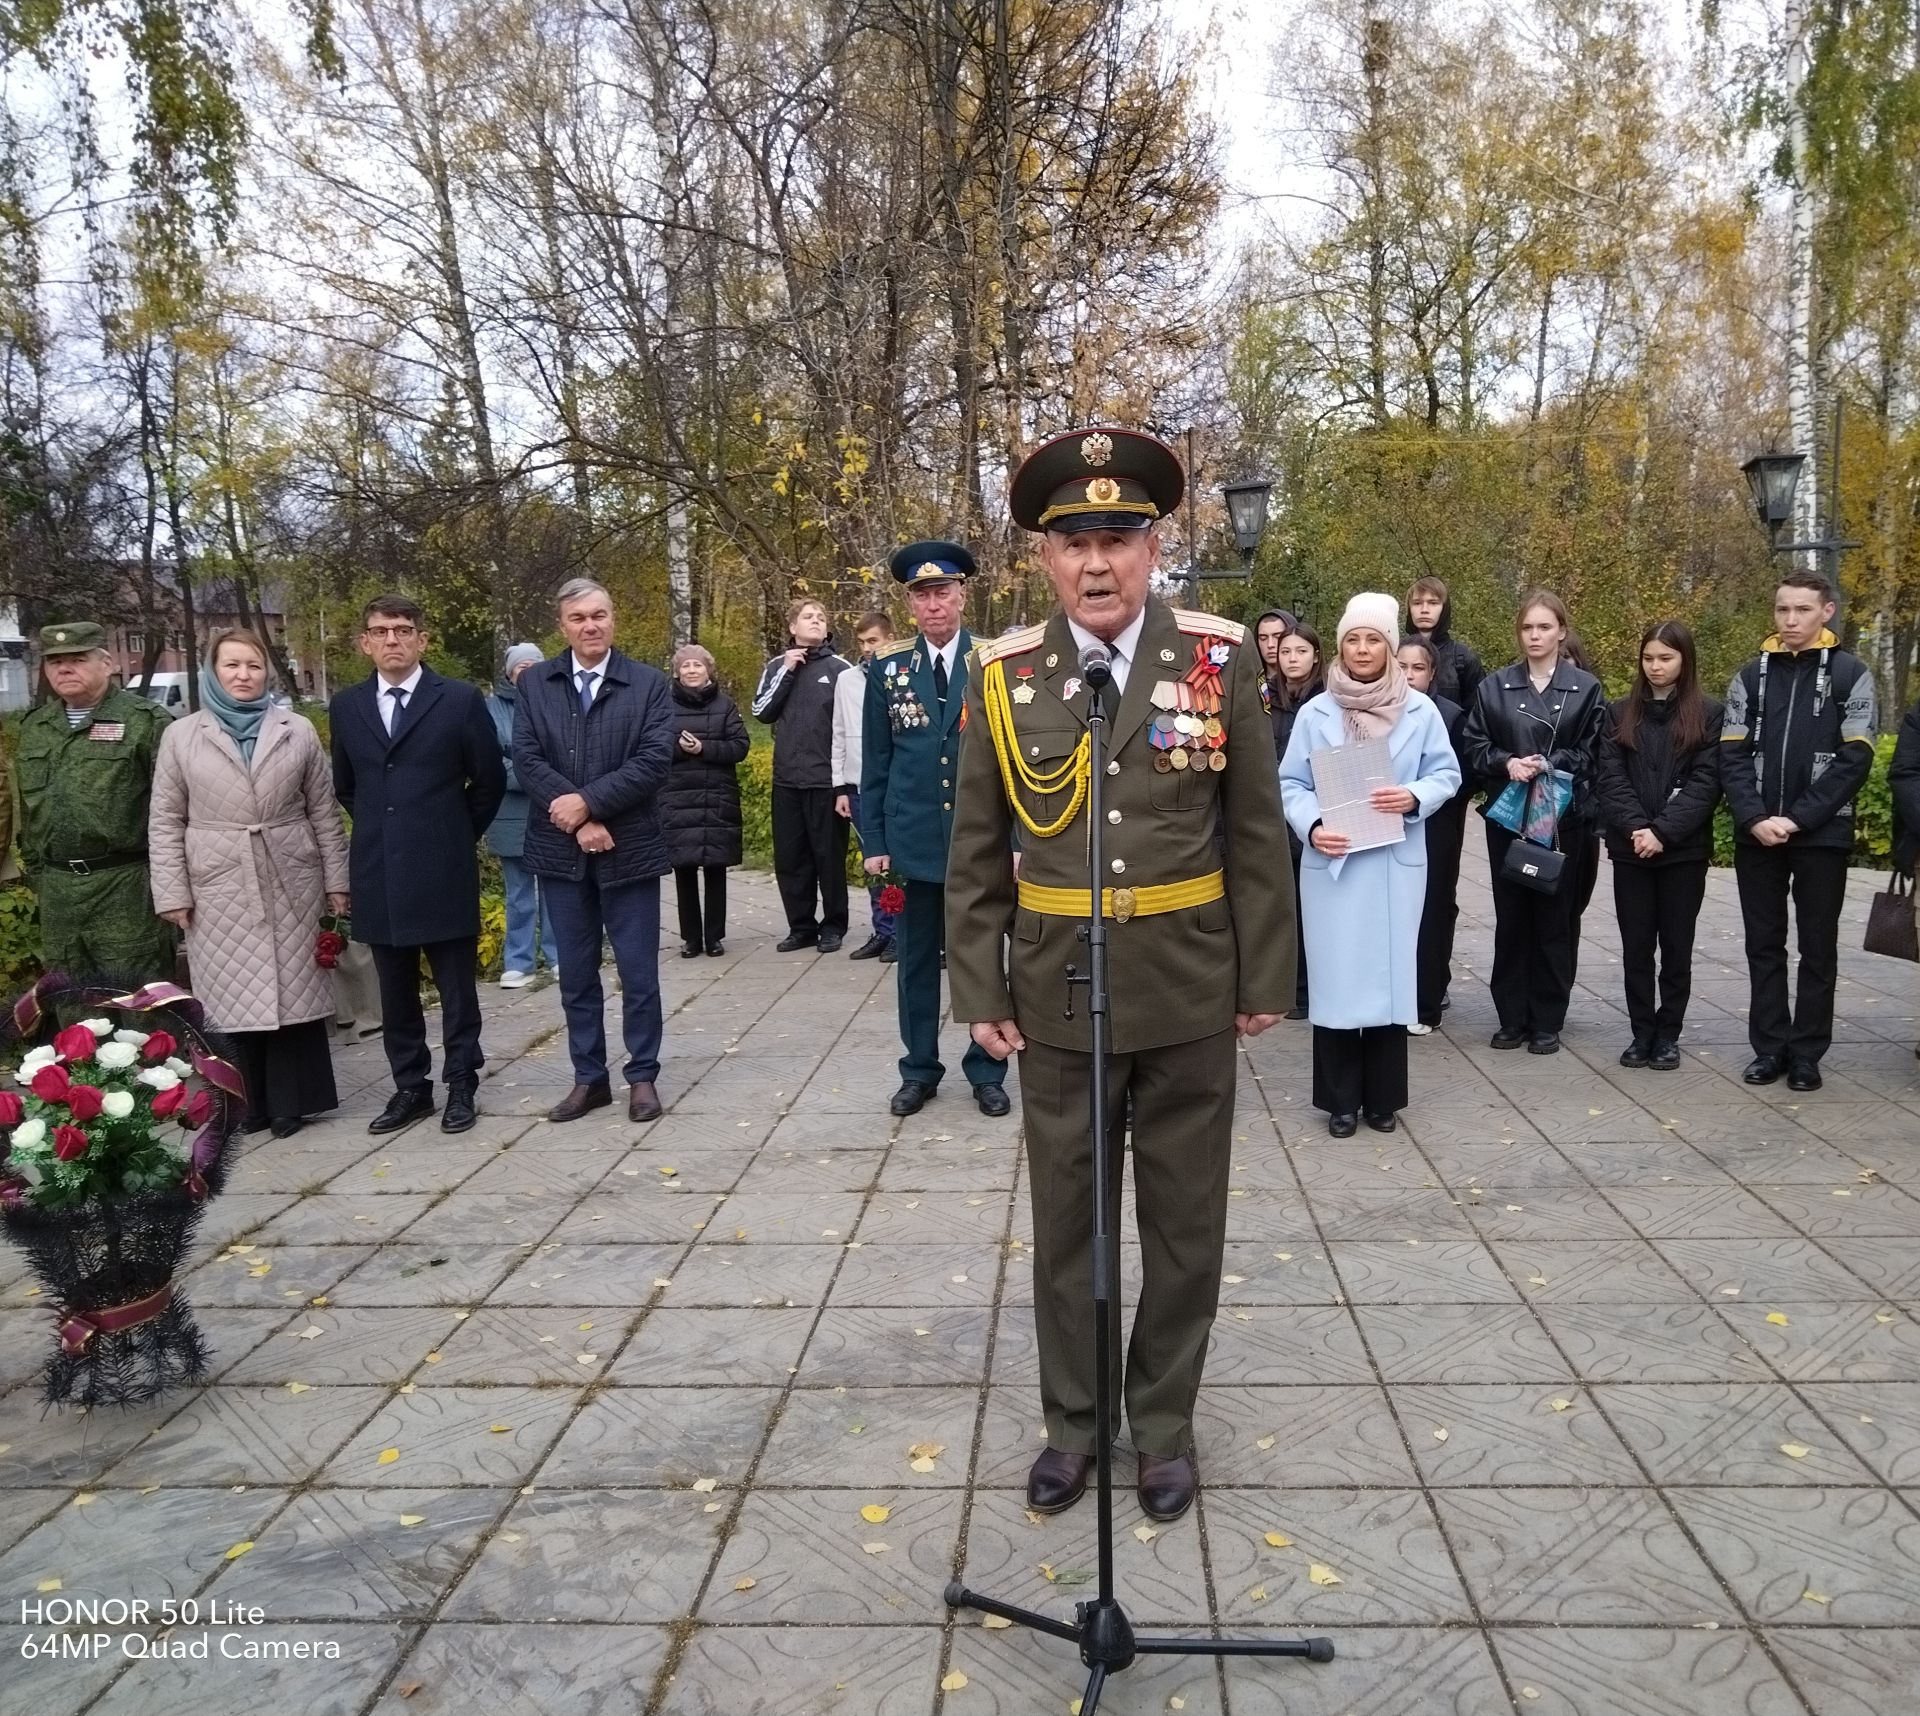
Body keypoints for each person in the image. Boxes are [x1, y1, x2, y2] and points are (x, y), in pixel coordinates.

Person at [946, 426, 1296, 1524]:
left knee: (1185, 1223)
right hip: (1056, 988)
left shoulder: (1216, 659)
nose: (1097, 563)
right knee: (1068, 1224)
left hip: (1189, 980)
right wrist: (981, 988)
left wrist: (1265, 973)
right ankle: (1075, 1425)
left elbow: (1254, 833)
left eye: (1120, 538)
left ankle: (1165, 1427)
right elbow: (969, 850)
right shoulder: (1003, 677)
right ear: (1042, 560)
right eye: (1073, 542)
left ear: (1155, 547)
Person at [149, 630, 350, 1137]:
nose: (243, 675)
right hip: (218, 878)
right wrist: (172, 892)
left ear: (267, 672)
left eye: (254, 665)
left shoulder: (297, 729)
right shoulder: (182, 735)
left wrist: (337, 881)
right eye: (232, 665)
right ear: (211, 672)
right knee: (231, 994)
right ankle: (247, 1105)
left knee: (293, 990)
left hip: (290, 872)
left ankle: (293, 1103)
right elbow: (166, 819)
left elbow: (324, 812)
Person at [1282, 598, 1460, 1133]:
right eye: (1353, 640)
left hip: (1391, 862)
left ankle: (1383, 1100)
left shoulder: (1420, 711)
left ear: (1389, 646)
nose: (1362, 650)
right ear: (1340, 646)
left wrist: (1411, 795)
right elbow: (1290, 784)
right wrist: (1313, 825)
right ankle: (1339, 1100)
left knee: (1388, 979)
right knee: (1338, 981)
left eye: (1374, 640)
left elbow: (1447, 774)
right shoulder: (1316, 712)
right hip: (1335, 865)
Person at [331, 595, 506, 1135]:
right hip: (379, 868)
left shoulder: (456, 700)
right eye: (380, 631)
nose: (392, 640)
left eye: (403, 630)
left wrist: (452, 834)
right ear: (365, 643)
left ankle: (461, 1083)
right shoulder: (347, 705)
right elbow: (347, 786)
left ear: (422, 640)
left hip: (443, 866)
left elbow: (490, 780)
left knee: (456, 986)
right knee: (395, 989)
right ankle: (411, 1087)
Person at [514, 578, 676, 1124]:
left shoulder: (649, 684)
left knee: (638, 972)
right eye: (579, 617)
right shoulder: (537, 683)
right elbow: (526, 756)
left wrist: (587, 803)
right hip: (561, 852)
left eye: (599, 615)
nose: (591, 625)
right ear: (563, 625)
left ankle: (643, 1077)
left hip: (629, 849)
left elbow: (654, 761)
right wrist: (580, 819)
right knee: (576, 973)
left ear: (613, 619)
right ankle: (589, 1079)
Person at [860, 541, 1010, 1119]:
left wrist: (1018, 843)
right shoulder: (888, 669)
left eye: (943, 592)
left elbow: (1017, 762)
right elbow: (875, 763)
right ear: (910, 604)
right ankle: (919, 1069)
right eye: (922, 595)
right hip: (912, 844)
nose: (934, 605)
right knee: (915, 961)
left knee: (982, 959)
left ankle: (987, 1069)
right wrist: (875, 843)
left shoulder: (993, 663)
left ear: (962, 595)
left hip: (979, 844)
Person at [1721, 571, 1877, 1091]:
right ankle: (1769, 1048)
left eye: (1802, 610)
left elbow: (1856, 758)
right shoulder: (1749, 675)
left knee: (1817, 946)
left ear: (1826, 612)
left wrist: (1799, 817)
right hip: (1757, 834)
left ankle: (1808, 1053)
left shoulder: (1852, 674)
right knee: (1764, 945)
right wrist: (1754, 817)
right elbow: (1731, 753)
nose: (1790, 620)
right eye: (1783, 609)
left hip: (1821, 835)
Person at [1460, 589, 1606, 1056]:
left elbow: (1594, 751)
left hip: (1563, 817)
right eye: (1528, 627)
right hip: (1510, 817)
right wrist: (1507, 763)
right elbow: (1473, 745)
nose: (1535, 635)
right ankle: (1511, 1016)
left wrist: (1548, 761)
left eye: (1545, 627)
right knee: (1512, 917)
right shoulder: (1494, 686)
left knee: (1554, 919)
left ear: (1562, 632)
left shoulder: (1585, 688)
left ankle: (1547, 1018)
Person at [13, 622, 176, 986]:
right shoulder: (36, 727)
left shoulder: (147, 722)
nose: (64, 668)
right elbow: (29, 812)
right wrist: (41, 874)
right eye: (54, 662)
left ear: (106, 663)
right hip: (59, 895)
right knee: (72, 1012)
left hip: (127, 888)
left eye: (77, 659)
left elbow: (173, 813)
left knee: (142, 1013)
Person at [1596, 620, 1723, 1071]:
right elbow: (1609, 778)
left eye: (1665, 658)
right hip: (1631, 850)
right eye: (1648, 658)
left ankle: (1668, 1035)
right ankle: (1640, 1033)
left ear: (1684, 661)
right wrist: (1637, 829)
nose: (1656, 667)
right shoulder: (1618, 713)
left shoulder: (1708, 713)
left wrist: (1664, 832)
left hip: (1682, 853)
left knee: (1676, 946)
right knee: (1635, 947)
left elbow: (1707, 783)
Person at [753, 598, 852, 952]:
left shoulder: (841, 669)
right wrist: (788, 670)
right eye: (807, 617)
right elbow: (762, 712)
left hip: (826, 781)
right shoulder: (777, 666)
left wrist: (846, 783)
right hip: (787, 781)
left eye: (821, 617)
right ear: (793, 627)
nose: (815, 621)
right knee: (791, 859)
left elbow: (854, 727)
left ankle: (834, 925)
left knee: (828, 857)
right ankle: (801, 927)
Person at [1396, 635, 1470, 1034]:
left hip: (1436, 826)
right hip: (1388, 825)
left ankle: (1426, 1002)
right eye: (1401, 666)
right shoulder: (1377, 710)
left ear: (1432, 673)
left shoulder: (1449, 715)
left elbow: (1457, 778)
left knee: (1433, 910)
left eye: (1418, 668)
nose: (1408, 676)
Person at [660, 643, 751, 958]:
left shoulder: (725, 705)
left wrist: (704, 749)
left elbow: (740, 746)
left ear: (708, 670)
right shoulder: (663, 706)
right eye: (686, 666)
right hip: (677, 797)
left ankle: (714, 937)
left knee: (715, 869)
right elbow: (652, 748)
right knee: (683, 871)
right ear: (677, 672)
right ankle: (690, 939)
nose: (692, 670)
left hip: (716, 798)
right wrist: (678, 748)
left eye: (697, 665)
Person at [486, 642, 560, 989]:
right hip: (511, 814)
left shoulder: (561, 703)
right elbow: (490, 761)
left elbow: (567, 754)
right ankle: (518, 962)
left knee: (555, 890)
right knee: (518, 894)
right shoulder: (491, 709)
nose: (526, 671)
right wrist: (535, 777)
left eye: (533, 665)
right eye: (520, 666)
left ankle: (560, 956)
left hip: (554, 812)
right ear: (509, 672)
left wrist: (542, 778)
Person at [833, 609, 900, 962]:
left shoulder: (903, 672)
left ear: (890, 638)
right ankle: (882, 929)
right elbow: (839, 732)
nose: (867, 648)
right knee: (872, 861)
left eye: (873, 641)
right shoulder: (847, 680)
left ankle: (902, 933)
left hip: (896, 783)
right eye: (861, 642)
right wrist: (839, 786)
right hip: (859, 783)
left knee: (899, 863)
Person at [1271, 621, 1324, 1017]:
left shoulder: (1325, 700)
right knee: (1278, 904)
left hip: (1312, 814)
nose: (1292, 658)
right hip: (1269, 813)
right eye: (1286, 651)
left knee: (1311, 906)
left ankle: (1308, 988)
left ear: (1316, 656)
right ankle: (1284, 985)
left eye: (1300, 651)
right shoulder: (1263, 696)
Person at [1406, 576, 1484, 711]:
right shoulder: (1394, 654)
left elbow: (1477, 713)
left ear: (1444, 608)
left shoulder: (1462, 658)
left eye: (1433, 603)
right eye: (1417, 603)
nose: (1424, 609)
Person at [1253, 608, 1293, 710]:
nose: (1270, 644)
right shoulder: (1249, 685)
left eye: (1277, 636)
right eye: (1263, 638)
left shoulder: (1313, 686)